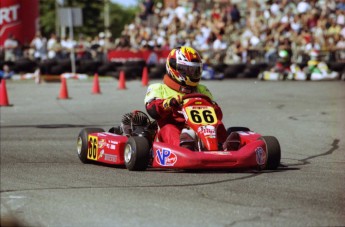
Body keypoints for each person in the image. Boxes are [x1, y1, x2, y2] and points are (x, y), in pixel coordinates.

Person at [144, 46, 235, 151]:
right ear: (175, 68)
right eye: (188, 70)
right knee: (169, 129)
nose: (192, 74)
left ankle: (223, 145)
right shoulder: (158, 88)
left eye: (195, 70)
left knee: (218, 124)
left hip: (199, 129)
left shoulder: (202, 89)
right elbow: (152, 110)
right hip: (173, 128)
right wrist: (169, 103)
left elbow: (218, 115)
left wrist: (212, 107)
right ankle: (183, 148)